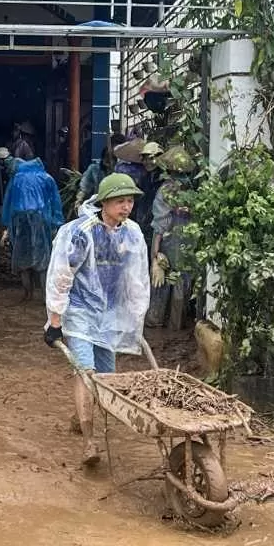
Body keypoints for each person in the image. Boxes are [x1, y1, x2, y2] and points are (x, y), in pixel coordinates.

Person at [44, 173, 150, 464]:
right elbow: (62, 276)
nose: (126, 207)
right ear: (104, 202)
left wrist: (135, 316)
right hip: (80, 312)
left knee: (107, 376)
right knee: (86, 372)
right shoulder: (80, 232)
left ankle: (79, 418)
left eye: (130, 201)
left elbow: (135, 278)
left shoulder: (132, 233)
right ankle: (90, 442)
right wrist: (55, 321)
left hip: (110, 314)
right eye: (120, 201)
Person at [0, 140, 64, 301]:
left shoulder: (16, 179)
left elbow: (8, 203)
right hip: (41, 221)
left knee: (22, 258)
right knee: (43, 260)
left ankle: (27, 293)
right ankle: (44, 295)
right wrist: (57, 224)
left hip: (19, 221)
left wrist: (6, 227)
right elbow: (56, 202)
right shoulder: (46, 178)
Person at [145, 145, 195, 329]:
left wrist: (155, 252)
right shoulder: (191, 188)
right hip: (188, 241)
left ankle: (155, 319)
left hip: (168, 240)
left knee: (160, 278)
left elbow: (160, 223)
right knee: (182, 280)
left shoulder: (165, 189)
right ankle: (176, 324)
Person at [75, 134, 126, 211]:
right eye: (107, 157)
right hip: (96, 206)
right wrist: (79, 200)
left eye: (113, 158)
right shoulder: (94, 169)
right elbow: (84, 187)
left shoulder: (122, 170)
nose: (109, 160)